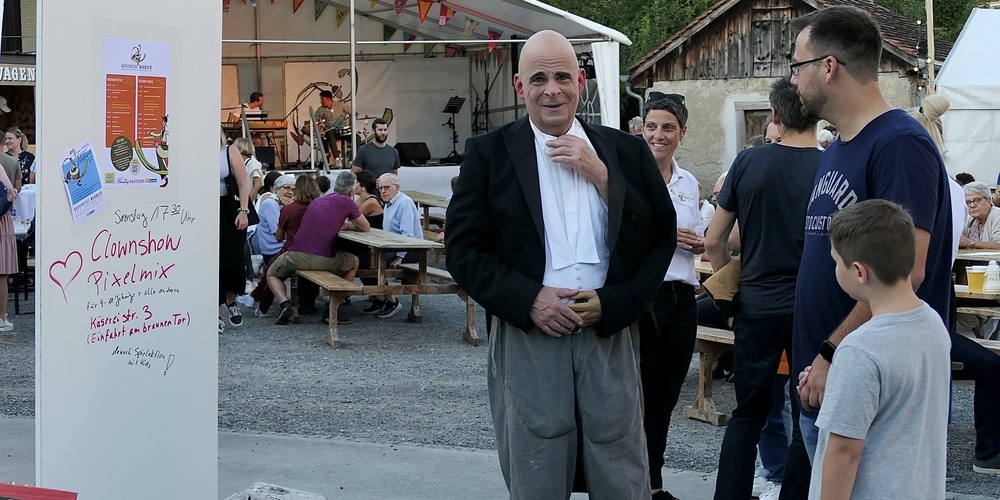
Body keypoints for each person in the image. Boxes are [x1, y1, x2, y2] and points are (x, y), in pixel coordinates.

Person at [444, 30, 676, 499]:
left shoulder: (624, 151)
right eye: (539, 79)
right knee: (537, 465)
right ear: (519, 86)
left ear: (581, 82)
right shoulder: (489, 154)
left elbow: (659, 236)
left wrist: (602, 177)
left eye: (563, 77)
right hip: (531, 335)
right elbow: (463, 250)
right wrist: (529, 301)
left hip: (608, 334)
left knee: (621, 467)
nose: (552, 90)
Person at [788, 6, 954, 491]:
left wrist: (830, 351)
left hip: (863, 390)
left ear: (828, 67)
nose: (793, 80)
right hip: (827, 381)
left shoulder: (899, 144)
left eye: (797, 65)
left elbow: (907, 271)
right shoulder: (840, 147)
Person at [707, 75, 823, 500]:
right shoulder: (832, 165)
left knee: (748, 414)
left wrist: (732, 283)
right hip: (812, 308)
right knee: (807, 414)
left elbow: (714, 240)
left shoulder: (747, 162)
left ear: (775, 115)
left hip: (757, 305)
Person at [806, 199, 950, 499]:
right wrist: (842, 382)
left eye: (837, 262)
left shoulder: (859, 350)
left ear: (860, 272)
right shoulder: (933, 324)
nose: (835, 268)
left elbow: (845, 452)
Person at [637, 93, 703, 500]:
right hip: (647, 294)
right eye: (651, 126)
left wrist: (699, 243)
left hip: (683, 295)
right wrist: (665, 236)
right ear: (640, 129)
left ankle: (654, 484)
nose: (658, 135)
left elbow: (694, 234)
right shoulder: (628, 176)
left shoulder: (688, 182)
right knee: (639, 393)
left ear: (682, 133)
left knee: (666, 395)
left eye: (667, 127)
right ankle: (630, 483)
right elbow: (615, 235)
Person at [268, 171, 369, 326]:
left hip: (295, 254)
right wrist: (349, 225)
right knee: (354, 261)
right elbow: (365, 227)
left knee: (271, 274)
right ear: (351, 192)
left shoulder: (318, 201)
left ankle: (285, 303)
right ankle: (334, 306)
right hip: (322, 257)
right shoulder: (347, 202)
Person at [370, 173, 420, 319]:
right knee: (365, 258)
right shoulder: (389, 203)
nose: (383, 191)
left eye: (387, 188)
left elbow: (407, 235)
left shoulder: (404, 203)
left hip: (411, 250)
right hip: (393, 246)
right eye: (380, 188)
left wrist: (400, 257)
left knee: (371, 261)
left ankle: (391, 300)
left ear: (397, 187)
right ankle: (380, 297)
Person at [219, 143, 251, 334]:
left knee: (233, 259)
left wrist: (244, 210)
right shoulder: (194, 148)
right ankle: (216, 312)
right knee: (211, 261)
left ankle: (231, 300)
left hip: (230, 207)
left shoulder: (228, 150)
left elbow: (243, 183)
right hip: (203, 206)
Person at [257, 174, 296, 266]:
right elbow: (279, 234)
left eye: (293, 190)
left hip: (283, 248)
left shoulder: (282, 204)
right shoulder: (271, 204)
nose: (290, 192)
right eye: (286, 188)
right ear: (277, 189)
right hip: (275, 250)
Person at [0, 153, 19, 333]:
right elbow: (14, 190)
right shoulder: (11, 162)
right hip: (2, 223)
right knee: (2, 273)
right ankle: (1, 317)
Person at [960, 182, 1000, 250]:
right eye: (968, 202)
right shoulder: (970, 218)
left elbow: (998, 245)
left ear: (989, 200)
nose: (972, 205)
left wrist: (970, 243)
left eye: (977, 200)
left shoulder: (997, 215)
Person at [314, 89, 349, 164]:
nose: (320, 101)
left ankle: (353, 160)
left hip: (343, 131)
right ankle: (337, 158)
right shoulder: (320, 110)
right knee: (330, 133)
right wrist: (322, 126)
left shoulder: (340, 105)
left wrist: (350, 125)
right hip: (330, 131)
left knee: (357, 138)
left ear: (328, 99)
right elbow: (315, 120)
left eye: (322, 99)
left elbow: (352, 113)